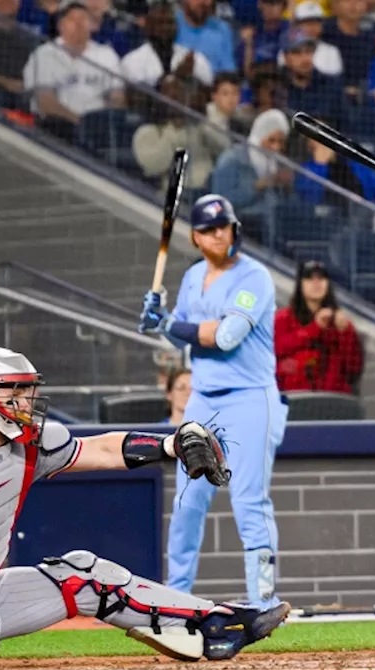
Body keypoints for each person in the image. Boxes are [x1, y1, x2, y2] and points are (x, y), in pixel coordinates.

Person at [0, 347, 288, 670]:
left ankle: (214, 624)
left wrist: (171, 444)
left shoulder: (32, 445)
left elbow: (99, 449)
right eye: (15, 390)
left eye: (27, 389)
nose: (26, 399)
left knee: (86, 576)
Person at [137, 194, 289, 609]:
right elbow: (181, 335)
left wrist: (171, 323)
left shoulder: (254, 277)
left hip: (250, 398)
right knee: (187, 502)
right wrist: (161, 320)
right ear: (196, 237)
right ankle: (177, 597)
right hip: (203, 399)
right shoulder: (191, 277)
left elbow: (225, 337)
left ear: (234, 228)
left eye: (224, 225)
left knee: (248, 502)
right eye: (208, 229)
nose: (218, 233)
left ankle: (263, 601)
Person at [21, 0, 124, 141]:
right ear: (61, 25)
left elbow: (117, 98)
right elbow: (45, 102)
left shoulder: (106, 54)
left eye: (83, 19)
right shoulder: (44, 54)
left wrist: (102, 122)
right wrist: (80, 123)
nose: (79, 24)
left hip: (99, 130)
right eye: (72, 19)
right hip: (57, 128)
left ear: (92, 26)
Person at [273, 260, 364, 394]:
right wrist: (315, 328)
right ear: (300, 284)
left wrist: (345, 333)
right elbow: (278, 350)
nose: (316, 283)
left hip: (333, 398)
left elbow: (353, 368)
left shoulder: (341, 323)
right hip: (293, 397)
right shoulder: (282, 319)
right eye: (309, 278)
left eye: (321, 278)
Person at [209, 109, 295, 248]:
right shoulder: (233, 158)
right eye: (271, 140)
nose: (276, 147)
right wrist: (256, 187)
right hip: (241, 228)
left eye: (280, 142)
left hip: (270, 231)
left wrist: (287, 187)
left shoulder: (277, 165)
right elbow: (220, 200)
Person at [120, 1, 213, 88]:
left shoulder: (194, 59)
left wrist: (192, 80)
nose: (166, 28)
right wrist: (177, 77)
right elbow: (140, 99)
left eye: (170, 23)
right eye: (160, 23)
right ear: (148, 27)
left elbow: (209, 90)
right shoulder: (132, 61)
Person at [283, 2, 345, 78]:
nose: (312, 27)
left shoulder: (332, 51)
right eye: (306, 23)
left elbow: (334, 82)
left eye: (316, 22)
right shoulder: (287, 50)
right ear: (296, 25)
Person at [176, 0, 237, 74]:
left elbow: (228, 70)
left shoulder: (222, 28)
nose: (203, 2)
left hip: (215, 82)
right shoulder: (170, 24)